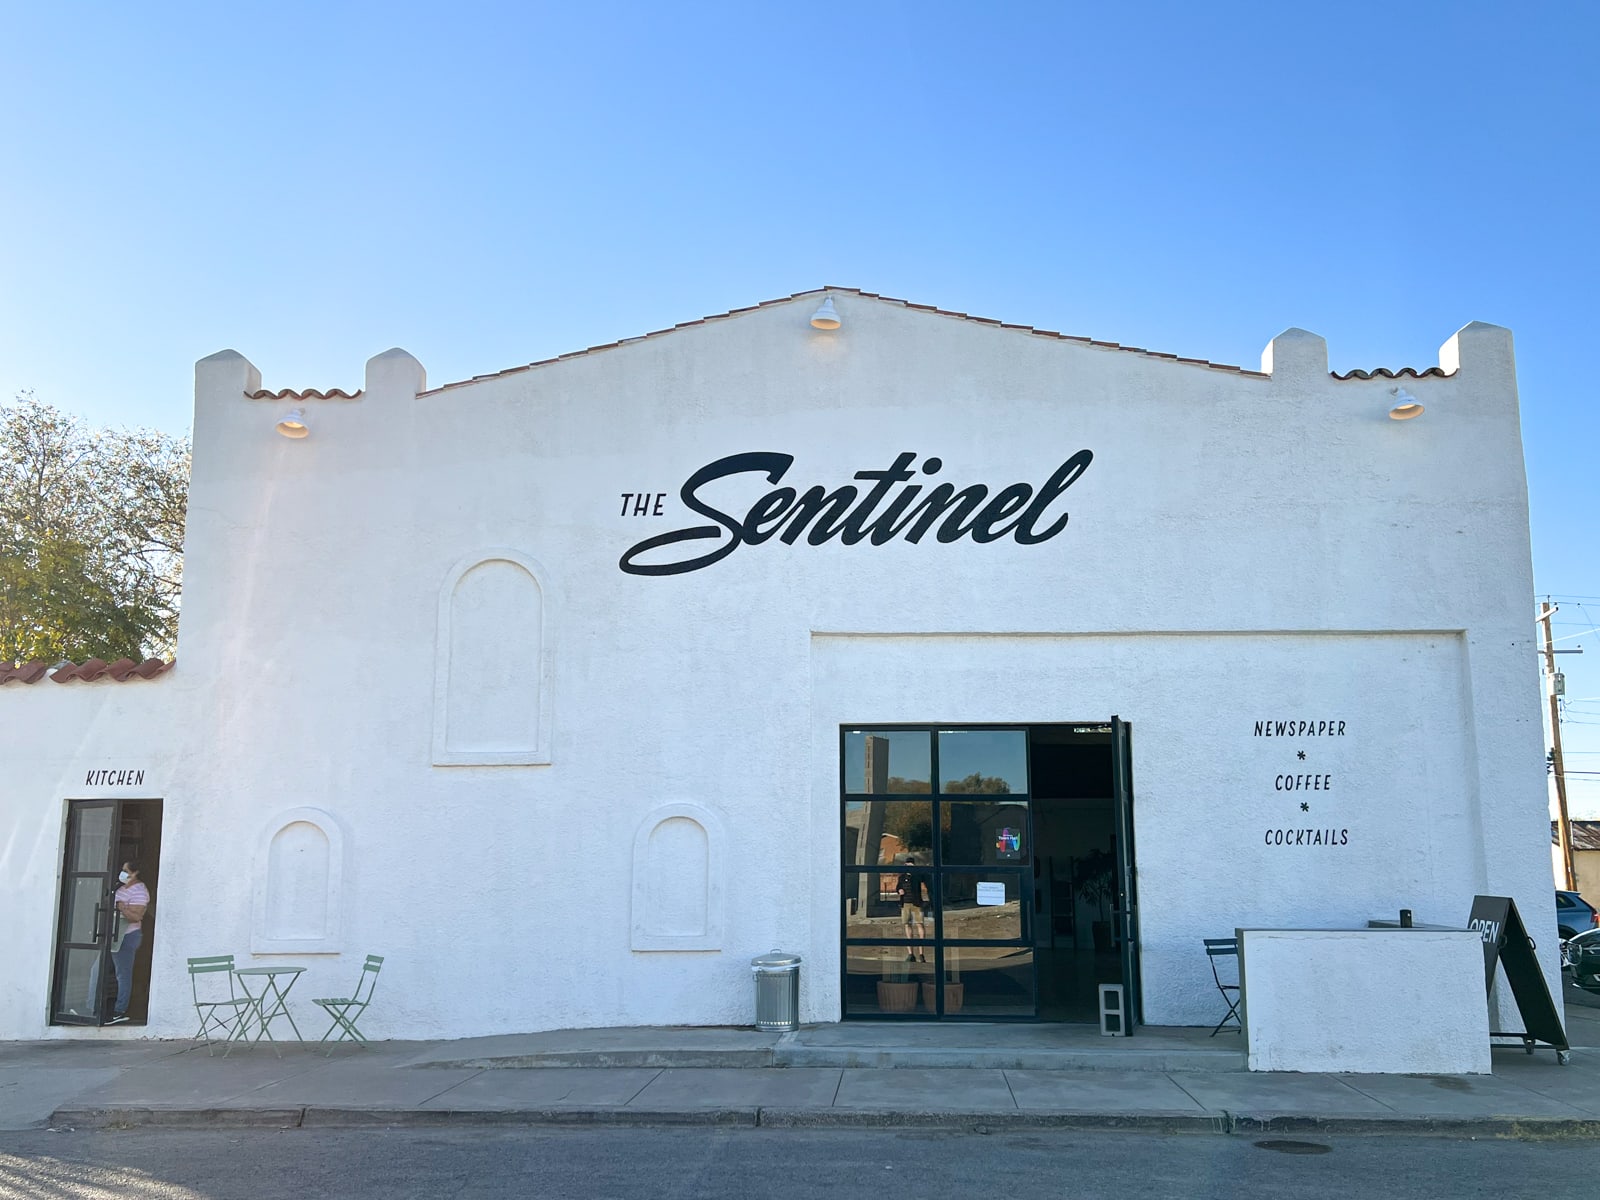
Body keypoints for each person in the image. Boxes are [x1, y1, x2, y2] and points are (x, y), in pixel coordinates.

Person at [108, 860, 150, 1024]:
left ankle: (120, 1010)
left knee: (122, 973)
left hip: (127, 935)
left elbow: (137, 916)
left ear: (135, 873)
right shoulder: (121, 888)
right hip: (111, 934)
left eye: (125, 870)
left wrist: (123, 908)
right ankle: (91, 1008)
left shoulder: (140, 891)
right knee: (97, 970)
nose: (122, 873)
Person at [897, 857, 927, 962]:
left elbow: (922, 878)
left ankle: (921, 953)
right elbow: (898, 886)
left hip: (916, 903)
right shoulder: (902, 877)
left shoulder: (916, 876)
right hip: (905, 904)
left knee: (920, 924)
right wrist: (899, 890)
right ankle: (910, 953)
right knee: (907, 925)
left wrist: (914, 870)